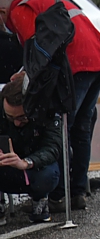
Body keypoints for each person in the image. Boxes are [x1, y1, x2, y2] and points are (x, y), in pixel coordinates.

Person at [0, 0, 100, 210]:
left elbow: (38, 53)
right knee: (81, 128)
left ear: (2, 12)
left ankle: (60, 195)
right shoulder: (42, 2)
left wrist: (28, 76)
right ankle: (77, 191)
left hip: (76, 63)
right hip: (97, 57)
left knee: (62, 128)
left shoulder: (19, 12)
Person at [0, 78, 62, 224]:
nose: (16, 123)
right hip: (4, 166)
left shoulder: (47, 111)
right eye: (10, 117)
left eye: (22, 117)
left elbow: (53, 147)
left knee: (48, 174)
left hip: (35, 166)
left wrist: (26, 163)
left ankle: (40, 200)